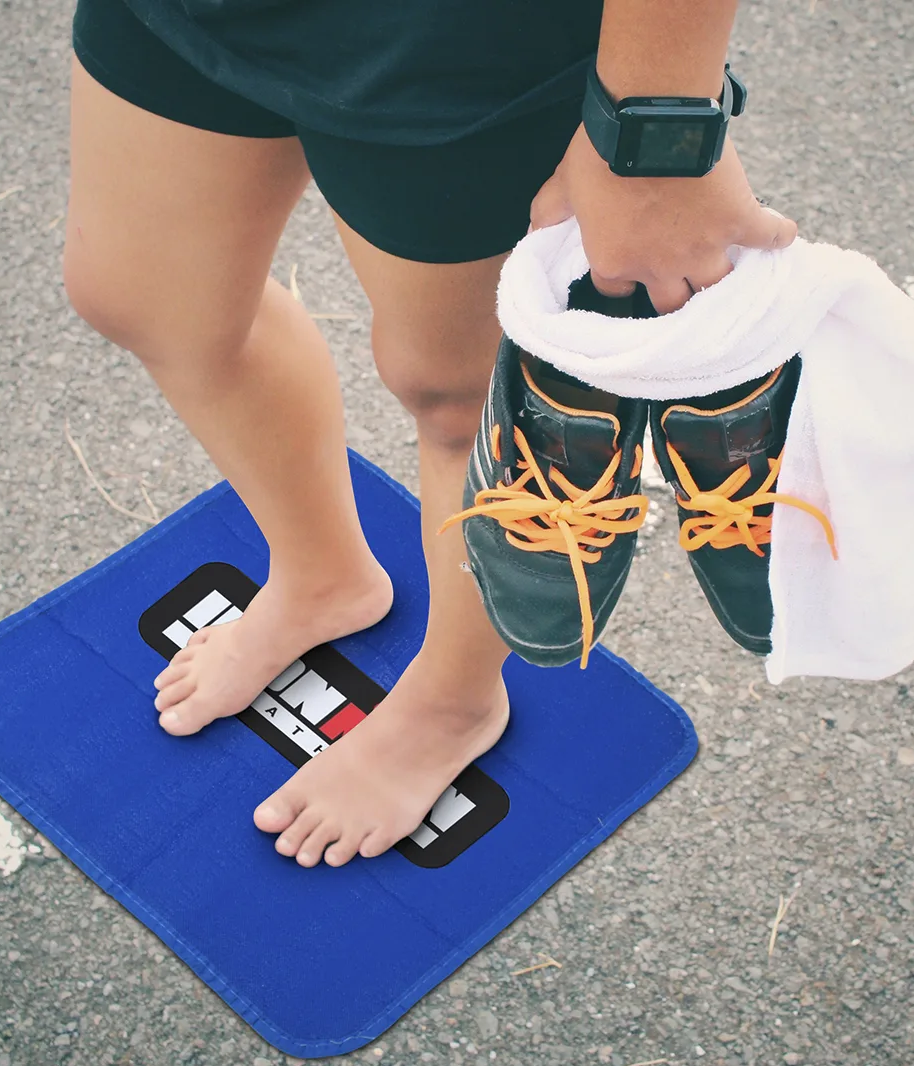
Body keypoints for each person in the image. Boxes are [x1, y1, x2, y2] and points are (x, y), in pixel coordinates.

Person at [63, 0, 797, 869]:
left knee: (463, 396)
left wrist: (658, 125)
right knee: (144, 298)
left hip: (453, 38)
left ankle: (455, 703)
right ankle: (322, 580)